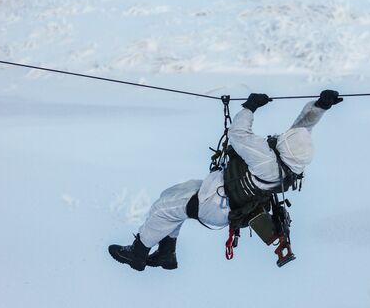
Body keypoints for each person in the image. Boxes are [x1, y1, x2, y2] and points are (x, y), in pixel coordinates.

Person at [108, 90, 343, 271]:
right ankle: (166, 254)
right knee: (172, 195)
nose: (282, 136)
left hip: (217, 204)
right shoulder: (293, 161)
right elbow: (303, 127)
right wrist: (322, 105)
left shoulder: (266, 160)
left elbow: (238, 134)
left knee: (164, 209)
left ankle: (138, 255)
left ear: (283, 148)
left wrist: (250, 107)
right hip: (224, 194)